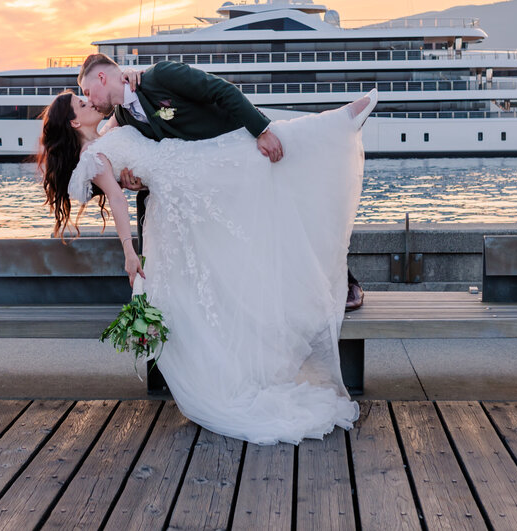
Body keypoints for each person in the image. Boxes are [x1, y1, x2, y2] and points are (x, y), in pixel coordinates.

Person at [38, 87, 376, 445]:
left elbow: (129, 165)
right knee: (247, 161)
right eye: (81, 102)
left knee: (249, 157)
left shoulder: (107, 133)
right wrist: (129, 251)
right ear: (75, 120)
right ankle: (338, 123)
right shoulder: (92, 157)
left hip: (182, 164)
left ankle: (338, 124)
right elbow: (119, 201)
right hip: (179, 186)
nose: (88, 101)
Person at [77, 54, 365, 311]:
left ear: (102, 77)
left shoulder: (160, 76)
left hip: (241, 146)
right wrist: (134, 180)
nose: (89, 100)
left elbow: (219, 90)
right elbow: (128, 156)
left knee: (293, 207)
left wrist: (260, 131)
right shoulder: (123, 116)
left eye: (88, 92)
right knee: (261, 230)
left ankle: (345, 282)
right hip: (212, 179)